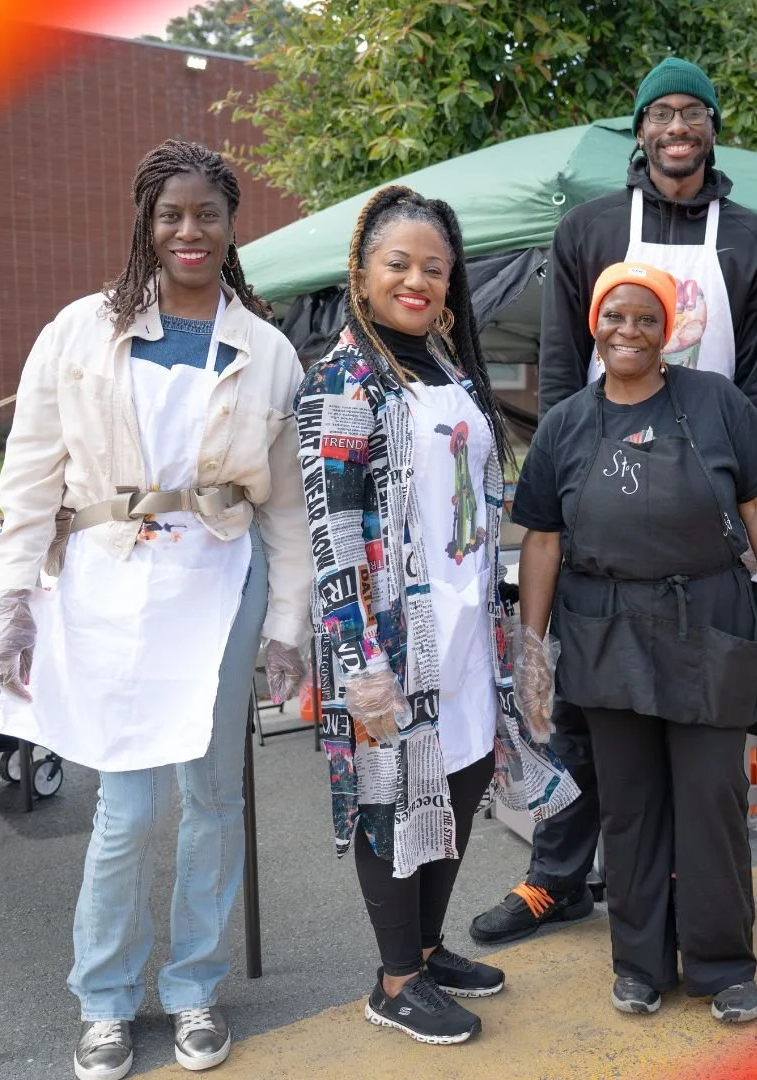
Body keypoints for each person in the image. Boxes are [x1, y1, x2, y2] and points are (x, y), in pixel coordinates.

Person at [0, 140, 313, 1079]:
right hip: (109, 585)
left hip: (218, 585)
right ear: (144, 222)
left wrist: (287, 627)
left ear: (230, 222)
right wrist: (13, 594)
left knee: (213, 797)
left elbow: (285, 508)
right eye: (170, 214)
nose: (188, 231)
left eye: (206, 213)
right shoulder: (79, 330)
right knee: (126, 806)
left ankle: (197, 987)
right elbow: (31, 471)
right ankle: (106, 998)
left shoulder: (266, 349)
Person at [472, 56, 757, 946]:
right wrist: (570, 496)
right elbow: (566, 366)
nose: (677, 129)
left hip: (710, 505)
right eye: (661, 115)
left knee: (700, 731)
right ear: (640, 130)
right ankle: (554, 879)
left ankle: (683, 898)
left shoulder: (754, 240)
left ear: (713, 128)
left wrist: (755, 512)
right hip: (602, 499)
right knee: (587, 715)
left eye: (694, 113)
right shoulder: (590, 228)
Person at [293, 186, 579, 1046]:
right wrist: (359, 659)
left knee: (457, 775)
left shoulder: (448, 367)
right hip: (384, 632)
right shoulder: (342, 378)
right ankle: (395, 981)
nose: (417, 282)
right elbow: (333, 531)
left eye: (435, 269)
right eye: (399, 265)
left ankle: (425, 945)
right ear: (362, 271)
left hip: (461, 624)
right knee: (392, 790)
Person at [508, 261, 757, 1022]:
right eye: (615, 316)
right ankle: (640, 964)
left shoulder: (713, 402)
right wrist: (532, 647)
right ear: (595, 327)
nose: (629, 331)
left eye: (647, 318)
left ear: (669, 329)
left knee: (712, 798)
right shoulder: (566, 424)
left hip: (707, 623)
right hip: (604, 629)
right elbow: (542, 541)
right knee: (630, 806)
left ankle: (723, 965)